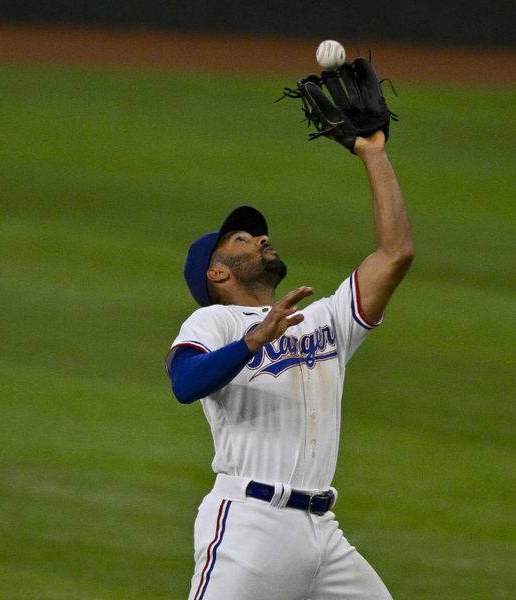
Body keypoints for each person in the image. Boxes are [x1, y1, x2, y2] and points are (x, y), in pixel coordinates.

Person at [165, 127, 414, 599]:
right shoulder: (213, 322)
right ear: (216, 272)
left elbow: (395, 253)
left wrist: (374, 154)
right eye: (242, 238)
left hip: (323, 534)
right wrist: (252, 340)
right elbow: (185, 381)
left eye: (259, 234)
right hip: (249, 526)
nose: (261, 238)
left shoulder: (324, 319)